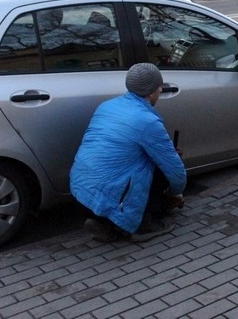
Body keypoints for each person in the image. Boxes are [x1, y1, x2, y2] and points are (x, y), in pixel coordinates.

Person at [70, 63, 186, 242]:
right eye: (159, 87)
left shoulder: (107, 106)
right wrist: (175, 194)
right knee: (163, 167)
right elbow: (175, 171)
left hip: (80, 194)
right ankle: (140, 225)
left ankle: (105, 224)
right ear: (151, 92)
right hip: (110, 198)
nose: (161, 90)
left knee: (141, 164)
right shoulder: (147, 121)